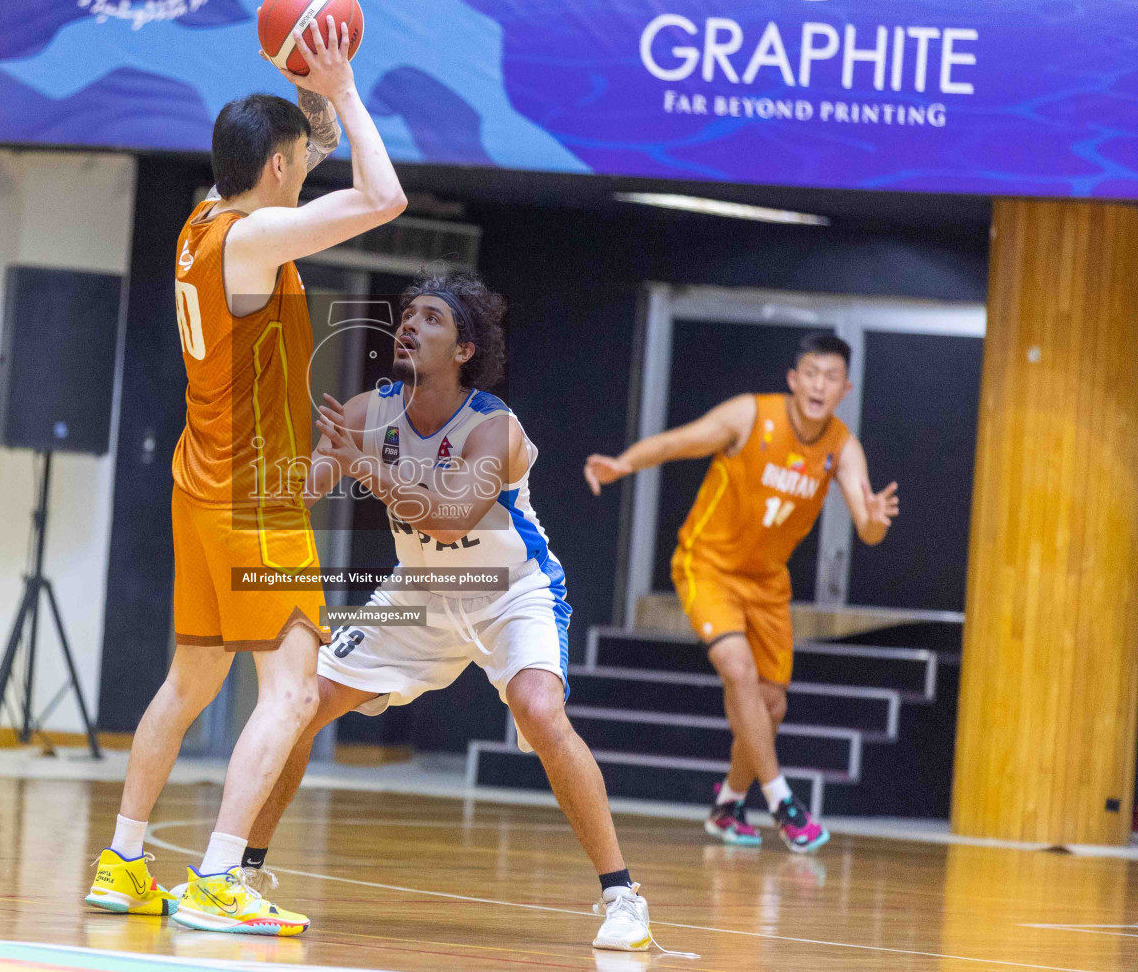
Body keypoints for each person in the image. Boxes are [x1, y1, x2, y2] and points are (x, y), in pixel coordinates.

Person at [82, 16, 405, 934]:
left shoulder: (203, 219)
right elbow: (382, 197)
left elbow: (314, 155)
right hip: (252, 500)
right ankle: (221, 877)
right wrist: (342, 92)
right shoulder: (255, 241)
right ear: (274, 171)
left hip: (201, 485)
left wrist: (314, 93)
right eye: (299, 163)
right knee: (295, 691)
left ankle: (125, 860)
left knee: (188, 684)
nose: (309, 170)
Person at [240, 272, 662, 953]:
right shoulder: (365, 411)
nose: (409, 324)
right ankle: (244, 877)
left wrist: (364, 468)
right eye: (407, 314)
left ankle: (623, 896)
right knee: (303, 702)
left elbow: (449, 516)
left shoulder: (493, 427)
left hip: (510, 590)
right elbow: (312, 483)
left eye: (430, 318)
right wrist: (286, 465)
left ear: (464, 348)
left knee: (539, 709)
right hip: (420, 594)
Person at [583, 333, 900, 853]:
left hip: (767, 582)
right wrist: (625, 463)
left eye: (831, 377)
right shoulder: (750, 416)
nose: (820, 385)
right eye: (811, 373)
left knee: (770, 706)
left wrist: (877, 522)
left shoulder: (842, 446)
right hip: (707, 565)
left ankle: (729, 803)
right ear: (794, 379)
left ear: (845, 388)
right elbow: (680, 441)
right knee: (738, 670)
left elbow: (867, 526)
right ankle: (782, 802)